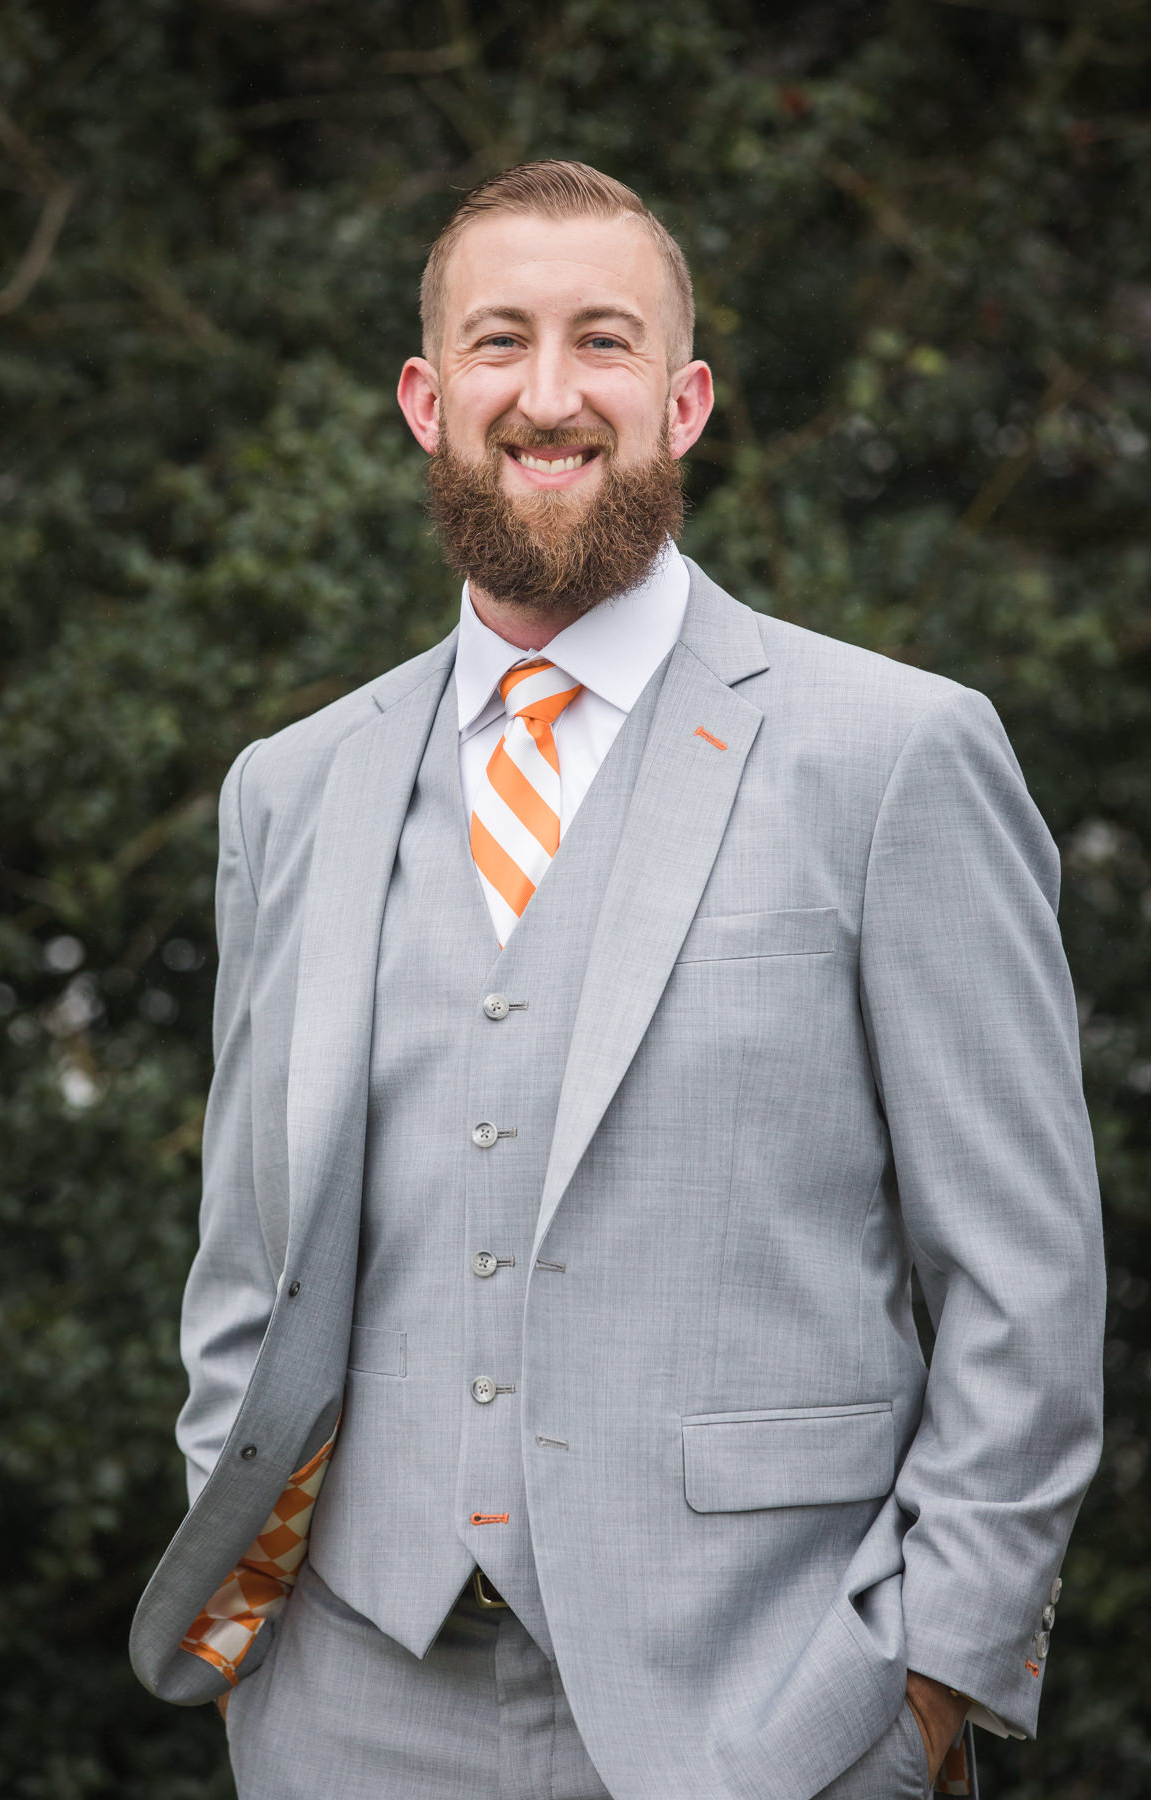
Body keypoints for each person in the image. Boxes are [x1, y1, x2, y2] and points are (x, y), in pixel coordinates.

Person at [131, 161, 1105, 1800]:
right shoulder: (289, 790)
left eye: (606, 342)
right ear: (429, 400)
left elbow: (1026, 1275)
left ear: (686, 399)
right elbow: (252, 1258)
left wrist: (935, 1675)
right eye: (501, 343)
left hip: (774, 1703)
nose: (553, 393)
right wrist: (259, 1664)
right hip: (352, 1707)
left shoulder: (895, 755)